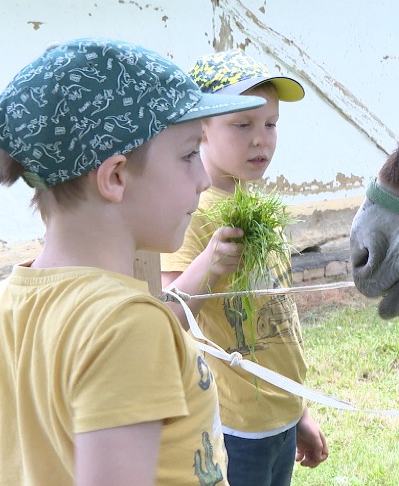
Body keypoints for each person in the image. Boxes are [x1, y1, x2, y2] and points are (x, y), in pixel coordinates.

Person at [0, 38, 267, 485]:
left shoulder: (11, 304)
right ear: (116, 176)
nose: (203, 179)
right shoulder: (127, 327)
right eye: (187, 155)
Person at [161, 48, 328, 486]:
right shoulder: (189, 211)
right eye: (242, 125)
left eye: (270, 124)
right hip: (235, 427)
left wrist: (300, 409)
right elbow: (167, 317)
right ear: (200, 129)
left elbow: (277, 318)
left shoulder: (253, 201)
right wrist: (209, 263)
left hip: (280, 417)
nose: (262, 139)